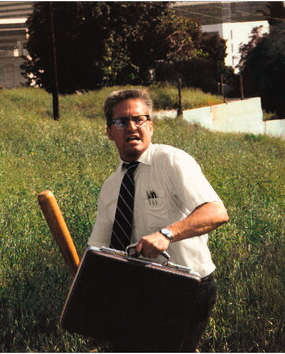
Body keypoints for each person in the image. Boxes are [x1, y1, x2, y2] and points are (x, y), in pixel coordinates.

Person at [88, 89, 229, 352]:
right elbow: (97, 249)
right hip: (136, 292)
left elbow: (216, 212)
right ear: (109, 132)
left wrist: (166, 234)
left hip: (185, 289)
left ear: (151, 126)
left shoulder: (172, 161)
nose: (132, 126)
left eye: (139, 119)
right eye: (121, 121)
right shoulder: (110, 186)